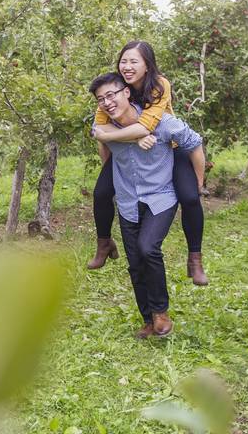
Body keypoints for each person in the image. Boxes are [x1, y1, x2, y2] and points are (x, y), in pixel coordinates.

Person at [89, 72, 204, 338]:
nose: (107, 102)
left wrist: (198, 182)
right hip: (128, 198)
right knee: (135, 263)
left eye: (112, 94)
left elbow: (194, 142)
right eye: (101, 99)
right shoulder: (105, 129)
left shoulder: (161, 122)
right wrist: (132, 138)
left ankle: (161, 313)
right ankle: (149, 320)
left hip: (160, 197)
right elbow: (101, 141)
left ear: (127, 92)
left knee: (147, 247)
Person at [87, 41, 209, 286]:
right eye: (124, 61)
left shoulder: (158, 85)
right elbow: (99, 126)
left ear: (147, 65)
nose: (127, 66)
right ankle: (104, 243)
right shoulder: (114, 88)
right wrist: (119, 148)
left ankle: (194, 257)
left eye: (134, 61)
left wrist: (199, 180)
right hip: (130, 149)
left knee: (190, 196)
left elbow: (147, 127)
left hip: (167, 148)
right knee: (101, 192)